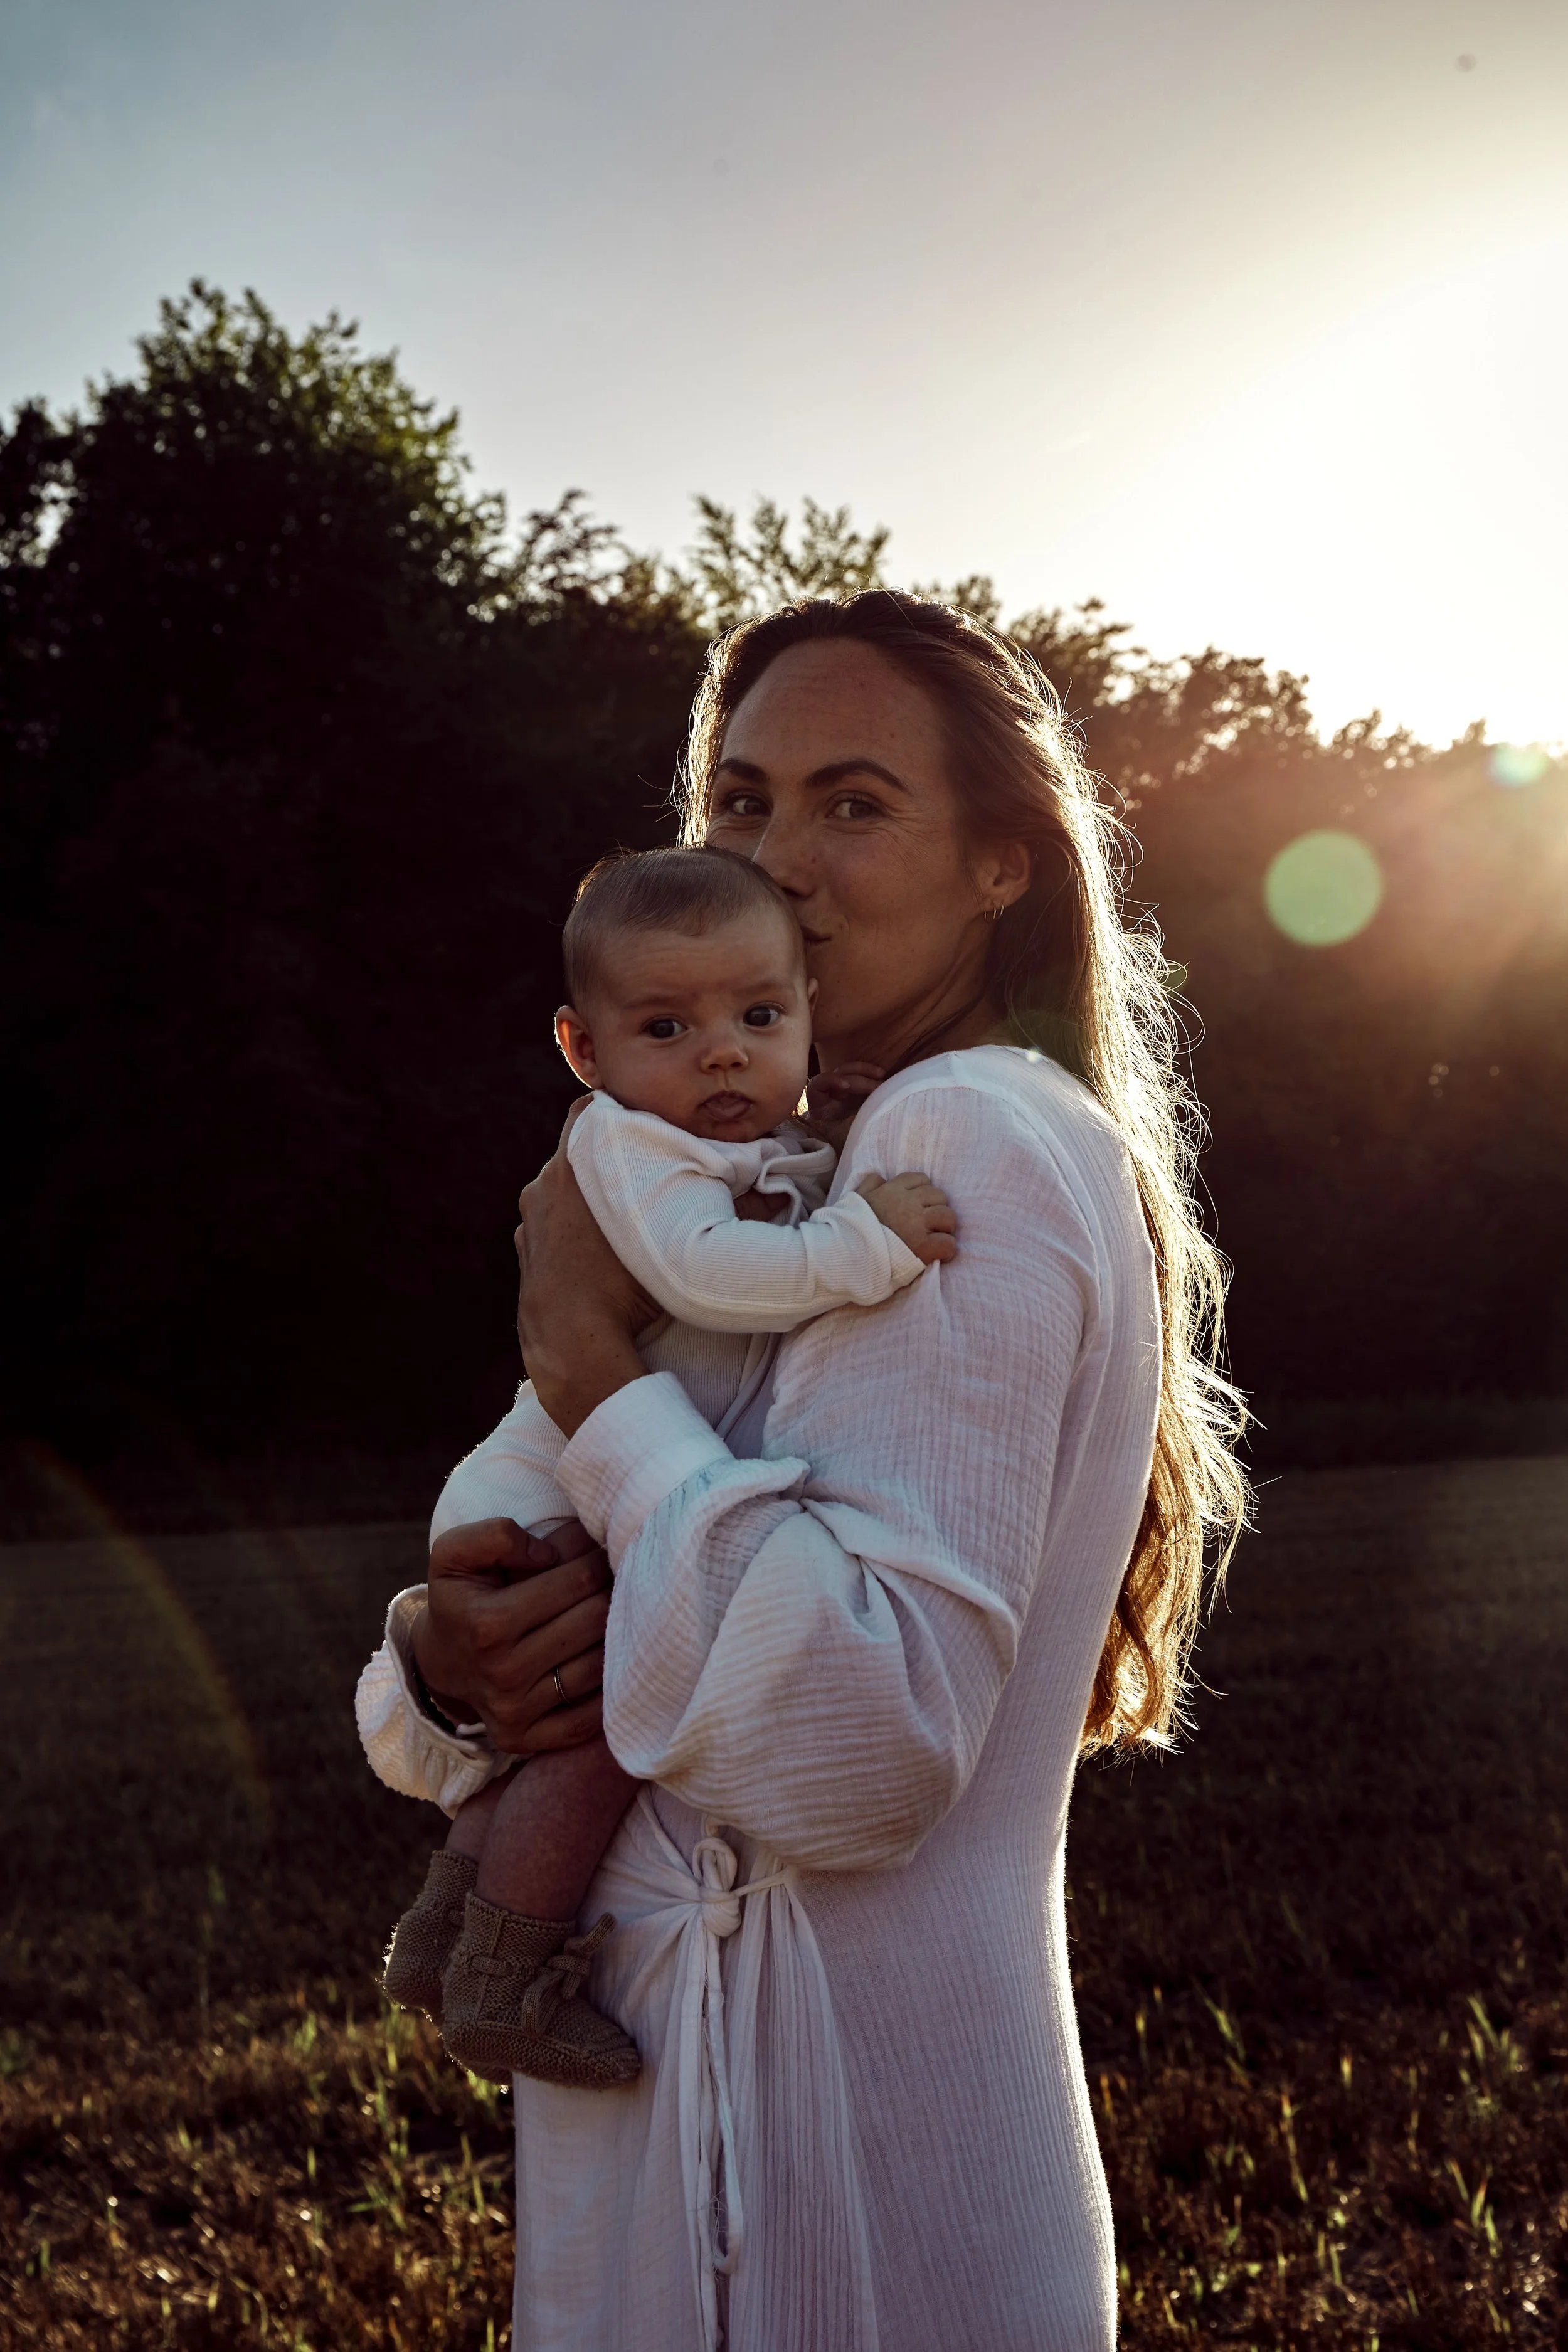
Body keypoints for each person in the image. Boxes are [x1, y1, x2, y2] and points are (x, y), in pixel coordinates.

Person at [356, 592, 1248, 2352]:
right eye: (744, 803)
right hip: (718, 2132)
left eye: (854, 802)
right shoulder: (781, 1168)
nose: (786, 857)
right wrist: (441, 1666)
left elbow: (855, 1745)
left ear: (1003, 861)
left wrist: (588, 1367)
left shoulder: (956, 1133)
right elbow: (643, 1583)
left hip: (841, 2166)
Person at [361, 842, 955, 2087]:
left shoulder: (714, 1135)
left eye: (757, 1016)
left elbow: (761, 1191)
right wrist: (862, 1243)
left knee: (556, 1727)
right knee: (599, 1731)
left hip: (584, 1465)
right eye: (668, 1026)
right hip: (552, 1487)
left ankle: (434, 1930)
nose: (722, 1054)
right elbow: (707, 1274)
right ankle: (502, 1980)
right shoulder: (624, 1146)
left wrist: (830, 1130)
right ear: (586, 1053)